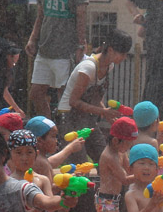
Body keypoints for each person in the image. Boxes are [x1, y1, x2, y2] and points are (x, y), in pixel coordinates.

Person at [57, 30, 133, 167]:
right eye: (123, 53)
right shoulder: (88, 67)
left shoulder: (109, 66)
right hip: (69, 117)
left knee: (105, 158)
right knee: (79, 164)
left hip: (87, 117)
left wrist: (107, 114)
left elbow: (95, 98)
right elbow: (73, 101)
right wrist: (103, 112)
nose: (124, 57)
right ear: (110, 50)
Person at [26, 0, 89, 119]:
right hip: (44, 49)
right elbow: (40, 14)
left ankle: (66, 130)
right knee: (36, 93)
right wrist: (33, 38)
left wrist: (81, 44)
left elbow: (81, 15)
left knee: (65, 95)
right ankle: (48, 129)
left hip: (65, 51)